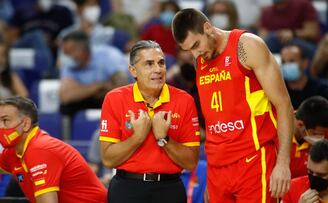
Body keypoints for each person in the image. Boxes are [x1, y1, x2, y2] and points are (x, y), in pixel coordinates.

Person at [172, 8, 294, 202]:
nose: (196, 53)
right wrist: (211, 175)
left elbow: (284, 105)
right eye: (189, 50)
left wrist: (283, 163)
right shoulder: (200, 58)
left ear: (207, 28)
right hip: (218, 167)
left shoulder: (247, 46)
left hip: (253, 160)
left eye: (196, 44)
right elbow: (214, 119)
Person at [99, 40, 201, 203]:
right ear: (133, 70)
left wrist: (164, 139)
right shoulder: (114, 99)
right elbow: (108, 159)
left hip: (169, 190)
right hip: (127, 189)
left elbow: (190, 163)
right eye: (149, 64)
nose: (158, 69)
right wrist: (137, 137)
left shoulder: (184, 101)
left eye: (161, 63)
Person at [0, 96, 107, 203]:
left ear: (26, 124)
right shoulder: (15, 151)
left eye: (5, 120)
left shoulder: (40, 150)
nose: (0, 127)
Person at [59, 30, 128, 117]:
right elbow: (66, 96)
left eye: (69, 51)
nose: (66, 56)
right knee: (66, 107)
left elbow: (121, 87)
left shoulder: (109, 55)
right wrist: (98, 86)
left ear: (83, 49)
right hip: (89, 98)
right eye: (64, 52)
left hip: (108, 98)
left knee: (118, 100)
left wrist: (82, 90)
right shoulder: (69, 66)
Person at [289, 96, 328, 179]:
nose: (322, 138)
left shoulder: (323, 129)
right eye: (317, 134)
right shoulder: (273, 131)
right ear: (300, 124)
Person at [280, 44, 328, 109]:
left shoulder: (321, 89)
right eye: (283, 62)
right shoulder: (279, 91)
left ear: (305, 63)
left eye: (292, 61)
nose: (287, 65)